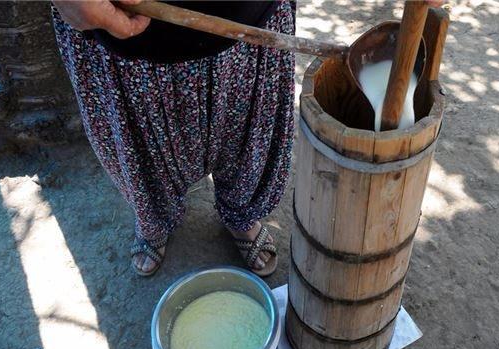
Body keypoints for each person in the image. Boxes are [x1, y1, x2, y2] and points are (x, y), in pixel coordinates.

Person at [52, 0, 443, 277]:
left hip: (250, 22)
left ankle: (242, 213)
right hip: (125, 34)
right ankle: (153, 218)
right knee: (139, 155)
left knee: (248, 141)